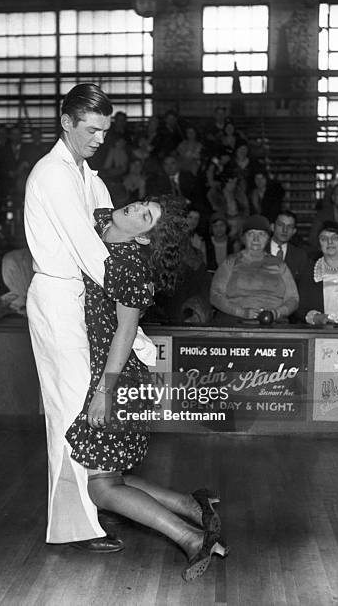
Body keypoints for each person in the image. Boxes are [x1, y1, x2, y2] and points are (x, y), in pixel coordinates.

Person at [65, 198, 225, 580]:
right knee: (110, 475)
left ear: (143, 240)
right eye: (140, 205)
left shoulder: (131, 267)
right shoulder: (102, 221)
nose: (134, 210)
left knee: (102, 488)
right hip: (99, 369)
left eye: (146, 217)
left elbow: (125, 331)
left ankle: (189, 537)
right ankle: (191, 505)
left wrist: (106, 391)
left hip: (115, 376)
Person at [24, 83, 122, 551]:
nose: (100, 138)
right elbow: (90, 249)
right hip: (58, 297)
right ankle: (78, 527)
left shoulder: (88, 175)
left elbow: (113, 236)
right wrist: (131, 307)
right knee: (69, 412)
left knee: (85, 408)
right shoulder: (51, 174)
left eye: (105, 130)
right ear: (66, 121)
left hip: (83, 298)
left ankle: (90, 511)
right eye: (92, 129)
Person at [210, 214, 299, 324]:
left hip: (273, 322)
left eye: (261, 234)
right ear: (243, 237)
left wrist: (275, 313)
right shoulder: (231, 262)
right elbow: (215, 295)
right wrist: (241, 312)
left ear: (267, 238)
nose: (256, 239)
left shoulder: (280, 264)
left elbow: (293, 298)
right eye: (251, 234)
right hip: (235, 322)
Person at [296, 221, 338, 325]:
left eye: (335, 238)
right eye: (324, 239)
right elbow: (300, 307)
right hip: (323, 334)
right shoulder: (309, 272)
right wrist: (315, 317)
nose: (330, 242)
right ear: (319, 244)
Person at [269, 210, 310, 286]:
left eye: (289, 227)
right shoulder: (260, 250)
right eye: (281, 225)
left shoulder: (300, 255)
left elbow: (304, 285)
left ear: (294, 231)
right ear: (272, 227)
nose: (285, 230)